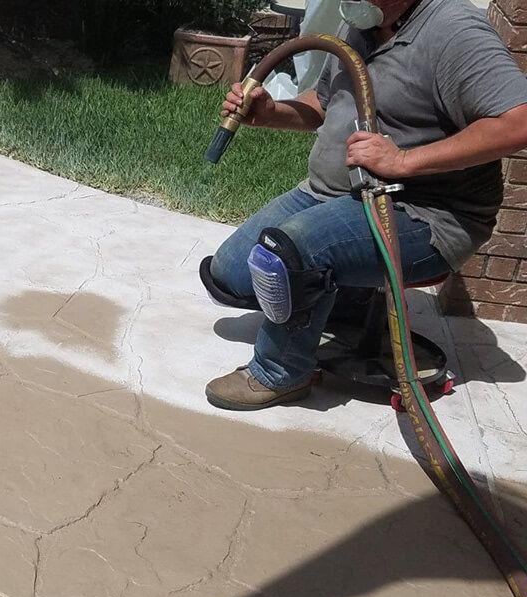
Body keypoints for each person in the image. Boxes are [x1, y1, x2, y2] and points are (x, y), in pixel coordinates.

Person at [201, 0, 527, 411]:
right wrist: (271, 113)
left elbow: (519, 123)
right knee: (229, 273)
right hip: (333, 193)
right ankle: (346, 301)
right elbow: (323, 105)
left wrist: (403, 161)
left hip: (424, 214)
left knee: (292, 253)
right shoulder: (361, 22)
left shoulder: (453, 31)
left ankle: (281, 372)